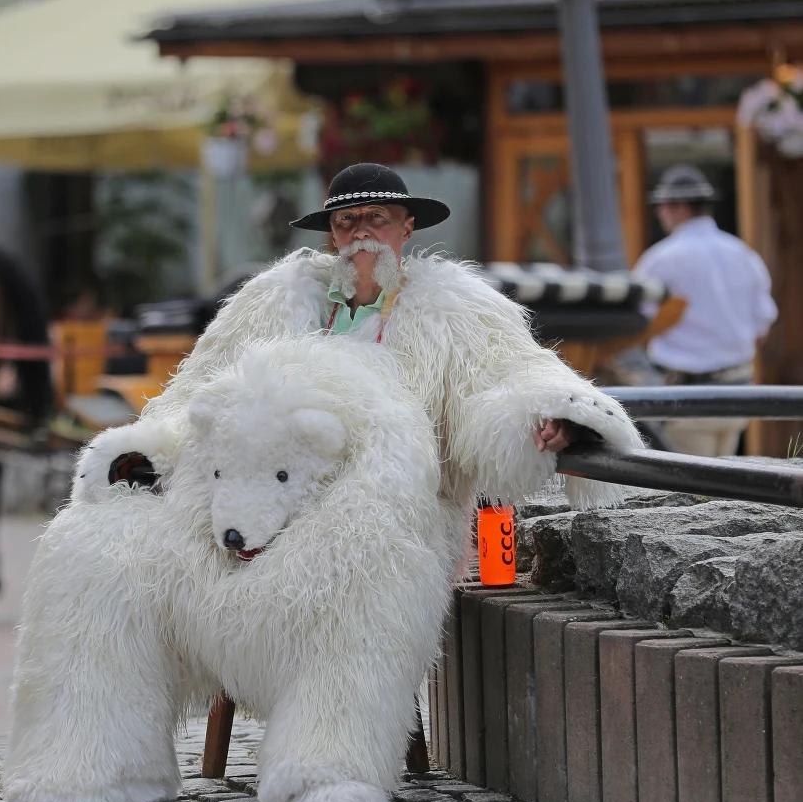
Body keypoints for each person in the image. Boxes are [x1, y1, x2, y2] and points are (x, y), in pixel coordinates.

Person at [83, 162, 645, 573]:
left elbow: (513, 370)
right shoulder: (272, 302)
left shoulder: (456, 308)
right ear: (332, 236)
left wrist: (553, 411)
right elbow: (200, 390)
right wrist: (153, 450)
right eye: (348, 222)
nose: (361, 233)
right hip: (272, 504)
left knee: (358, 580)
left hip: (393, 508)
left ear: (406, 230)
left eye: (376, 218)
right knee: (121, 557)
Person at [633, 165, 778, 457]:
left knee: (693, 492)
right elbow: (762, 328)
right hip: (738, 393)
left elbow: (636, 323)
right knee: (726, 485)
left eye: (663, 205)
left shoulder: (662, 259)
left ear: (680, 207)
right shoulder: (743, 254)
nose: (659, 213)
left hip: (689, 397)